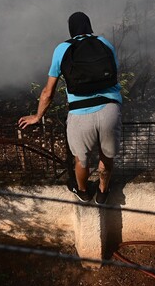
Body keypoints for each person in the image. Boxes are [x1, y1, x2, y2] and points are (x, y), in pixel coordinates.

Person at [18, 11, 122, 204]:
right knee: (106, 155)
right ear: (89, 26)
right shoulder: (105, 44)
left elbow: (48, 92)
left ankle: (83, 192)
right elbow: (114, 75)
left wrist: (37, 116)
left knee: (81, 158)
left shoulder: (63, 49)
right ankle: (103, 192)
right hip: (110, 109)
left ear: (71, 29)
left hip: (80, 113)